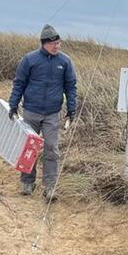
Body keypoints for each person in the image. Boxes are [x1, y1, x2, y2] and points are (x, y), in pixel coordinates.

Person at [8, 24, 77, 201]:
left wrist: (71, 109)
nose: (57, 46)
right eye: (53, 43)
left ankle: (50, 187)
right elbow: (19, 83)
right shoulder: (30, 60)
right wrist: (13, 105)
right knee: (29, 147)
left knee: (51, 149)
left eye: (58, 43)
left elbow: (70, 87)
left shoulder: (65, 62)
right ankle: (27, 182)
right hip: (31, 111)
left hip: (52, 114)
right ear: (44, 43)